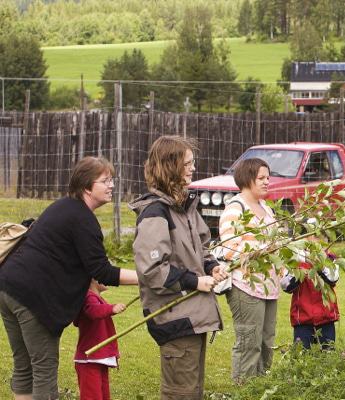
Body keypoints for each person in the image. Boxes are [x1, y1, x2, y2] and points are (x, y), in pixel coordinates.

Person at [0, 157, 138, 400]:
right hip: (33, 299)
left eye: (112, 180)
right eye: (105, 181)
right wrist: (146, 278)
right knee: (43, 368)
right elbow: (102, 271)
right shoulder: (83, 219)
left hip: (7, 287)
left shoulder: (62, 207)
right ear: (87, 187)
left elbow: (68, 258)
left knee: (24, 365)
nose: (112, 186)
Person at [131, 136, 227, 399]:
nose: (193, 168)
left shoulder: (185, 208)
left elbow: (202, 247)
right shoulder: (155, 213)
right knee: (180, 393)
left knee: (192, 391)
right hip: (174, 316)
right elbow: (152, 270)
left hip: (193, 314)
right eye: (187, 163)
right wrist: (195, 282)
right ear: (171, 167)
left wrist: (211, 267)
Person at [214, 158, 284, 382]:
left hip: (269, 286)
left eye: (268, 178)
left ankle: (261, 388)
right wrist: (263, 249)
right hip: (246, 286)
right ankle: (244, 389)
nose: (267, 182)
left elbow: (277, 244)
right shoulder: (236, 208)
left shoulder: (266, 208)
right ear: (247, 178)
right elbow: (229, 247)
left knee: (266, 342)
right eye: (261, 178)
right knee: (249, 342)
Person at [74, 279, 127, 400]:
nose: (109, 278)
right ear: (94, 279)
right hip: (89, 360)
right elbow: (93, 311)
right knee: (92, 396)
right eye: (105, 275)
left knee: (103, 395)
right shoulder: (88, 296)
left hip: (98, 358)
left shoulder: (97, 299)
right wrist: (111, 309)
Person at [281, 257, 339, 350]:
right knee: (300, 355)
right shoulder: (294, 257)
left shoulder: (329, 257)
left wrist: (321, 266)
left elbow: (333, 278)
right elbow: (286, 286)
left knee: (328, 354)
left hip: (326, 317)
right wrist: (298, 269)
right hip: (303, 318)